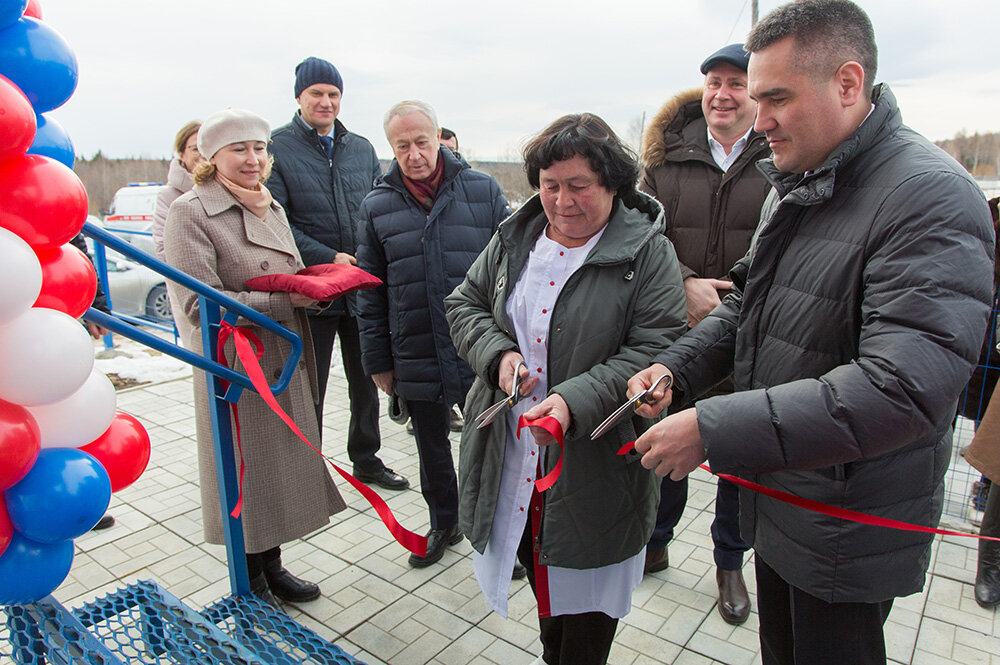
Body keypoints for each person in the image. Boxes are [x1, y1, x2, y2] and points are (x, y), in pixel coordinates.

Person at [627, 1, 995, 663]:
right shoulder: (796, 176)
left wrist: (713, 426)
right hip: (788, 493)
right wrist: (677, 370)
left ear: (848, 84)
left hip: (847, 521)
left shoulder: (929, 196)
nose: (757, 118)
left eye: (775, 97)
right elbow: (747, 308)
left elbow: (902, 389)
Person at [446, 113, 686, 665]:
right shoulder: (516, 239)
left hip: (593, 459)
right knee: (539, 573)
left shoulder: (647, 253)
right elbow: (465, 304)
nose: (562, 200)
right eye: (550, 185)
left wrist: (574, 399)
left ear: (612, 185)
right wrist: (500, 357)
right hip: (513, 449)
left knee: (583, 614)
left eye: (579, 185)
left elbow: (656, 345)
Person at [163, 108, 347, 607]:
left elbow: (283, 271)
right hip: (235, 365)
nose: (253, 159)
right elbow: (196, 303)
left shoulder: (271, 205)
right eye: (238, 149)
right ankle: (250, 579)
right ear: (211, 156)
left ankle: (273, 565)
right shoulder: (191, 211)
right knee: (247, 470)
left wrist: (317, 283)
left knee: (277, 468)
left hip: (283, 355)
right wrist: (286, 301)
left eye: (260, 148)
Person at [638, 42, 771, 625]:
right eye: (714, 81)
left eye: (736, 83)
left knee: (739, 449)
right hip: (679, 325)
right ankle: (657, 538)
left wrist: (737, 298)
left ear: (756, 91)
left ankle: (729, 563)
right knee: (670, 436)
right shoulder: (667, 158)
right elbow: (643, 233)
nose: (722, 93)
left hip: (749, 328)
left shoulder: (779, 154)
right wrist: (687, 282)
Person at [355, 100, 512, 568]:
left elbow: (513, 271)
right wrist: (378, 362)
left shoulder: (482, 191)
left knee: (494, 444)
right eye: (402, 146)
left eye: (421, 142)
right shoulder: (376, 205)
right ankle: (445, 522)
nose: (414, 153)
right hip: (414, 347)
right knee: (430, 447)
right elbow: (369, 291)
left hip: (479, 348)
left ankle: (503, 535)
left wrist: (512, 346)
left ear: (438, 136)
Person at [269, 56, 408, 491]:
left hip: (359, 287)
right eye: (317, 94)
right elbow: (278, 221)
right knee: (310, 385)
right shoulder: (277, 147)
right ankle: (305, 467)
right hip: (315, 289)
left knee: (366, 379)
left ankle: (366, 459)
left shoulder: (362, 148)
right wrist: (329, 256)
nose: (326, 102)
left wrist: (369, 257)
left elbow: (378, 207)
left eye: (333, 94)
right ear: (299, 97)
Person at [153, 120, 203, 260]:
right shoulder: (168, 197)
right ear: (181, 154)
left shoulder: (229, 188)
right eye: (195, 149)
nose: (202, 155)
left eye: (205, 148)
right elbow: (163, 249)